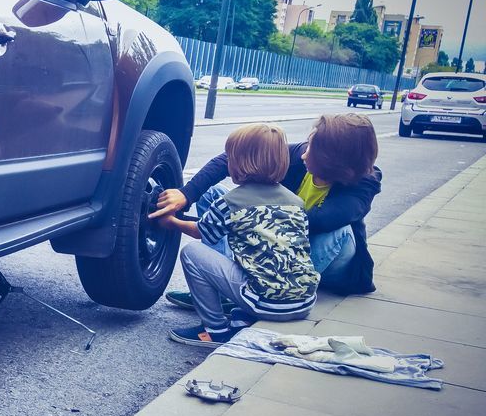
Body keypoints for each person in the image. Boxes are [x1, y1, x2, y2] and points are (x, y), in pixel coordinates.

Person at [154, 113, 381, 306]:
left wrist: (240, 219)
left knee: (340, 232)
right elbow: (236, 156)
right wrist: (187, 193)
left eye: (312, 148)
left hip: (330, 266)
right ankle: (223, 290)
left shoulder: (363, 184)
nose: (304, 151)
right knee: (213, 196)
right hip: (278, 248)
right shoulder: (301, 158)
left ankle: (286, 293)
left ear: (331, 160)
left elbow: (317, 222)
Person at [153, 123, 320, 347]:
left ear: (241, 164)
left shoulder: (230, 203)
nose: (227, 163)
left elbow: (201, 233)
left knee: (192, 253)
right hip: (304, 302)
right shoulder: (296, 202)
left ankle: (216, 329)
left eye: (230, 158)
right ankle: (244, 316)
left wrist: (172, 222)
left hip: (267, 304)